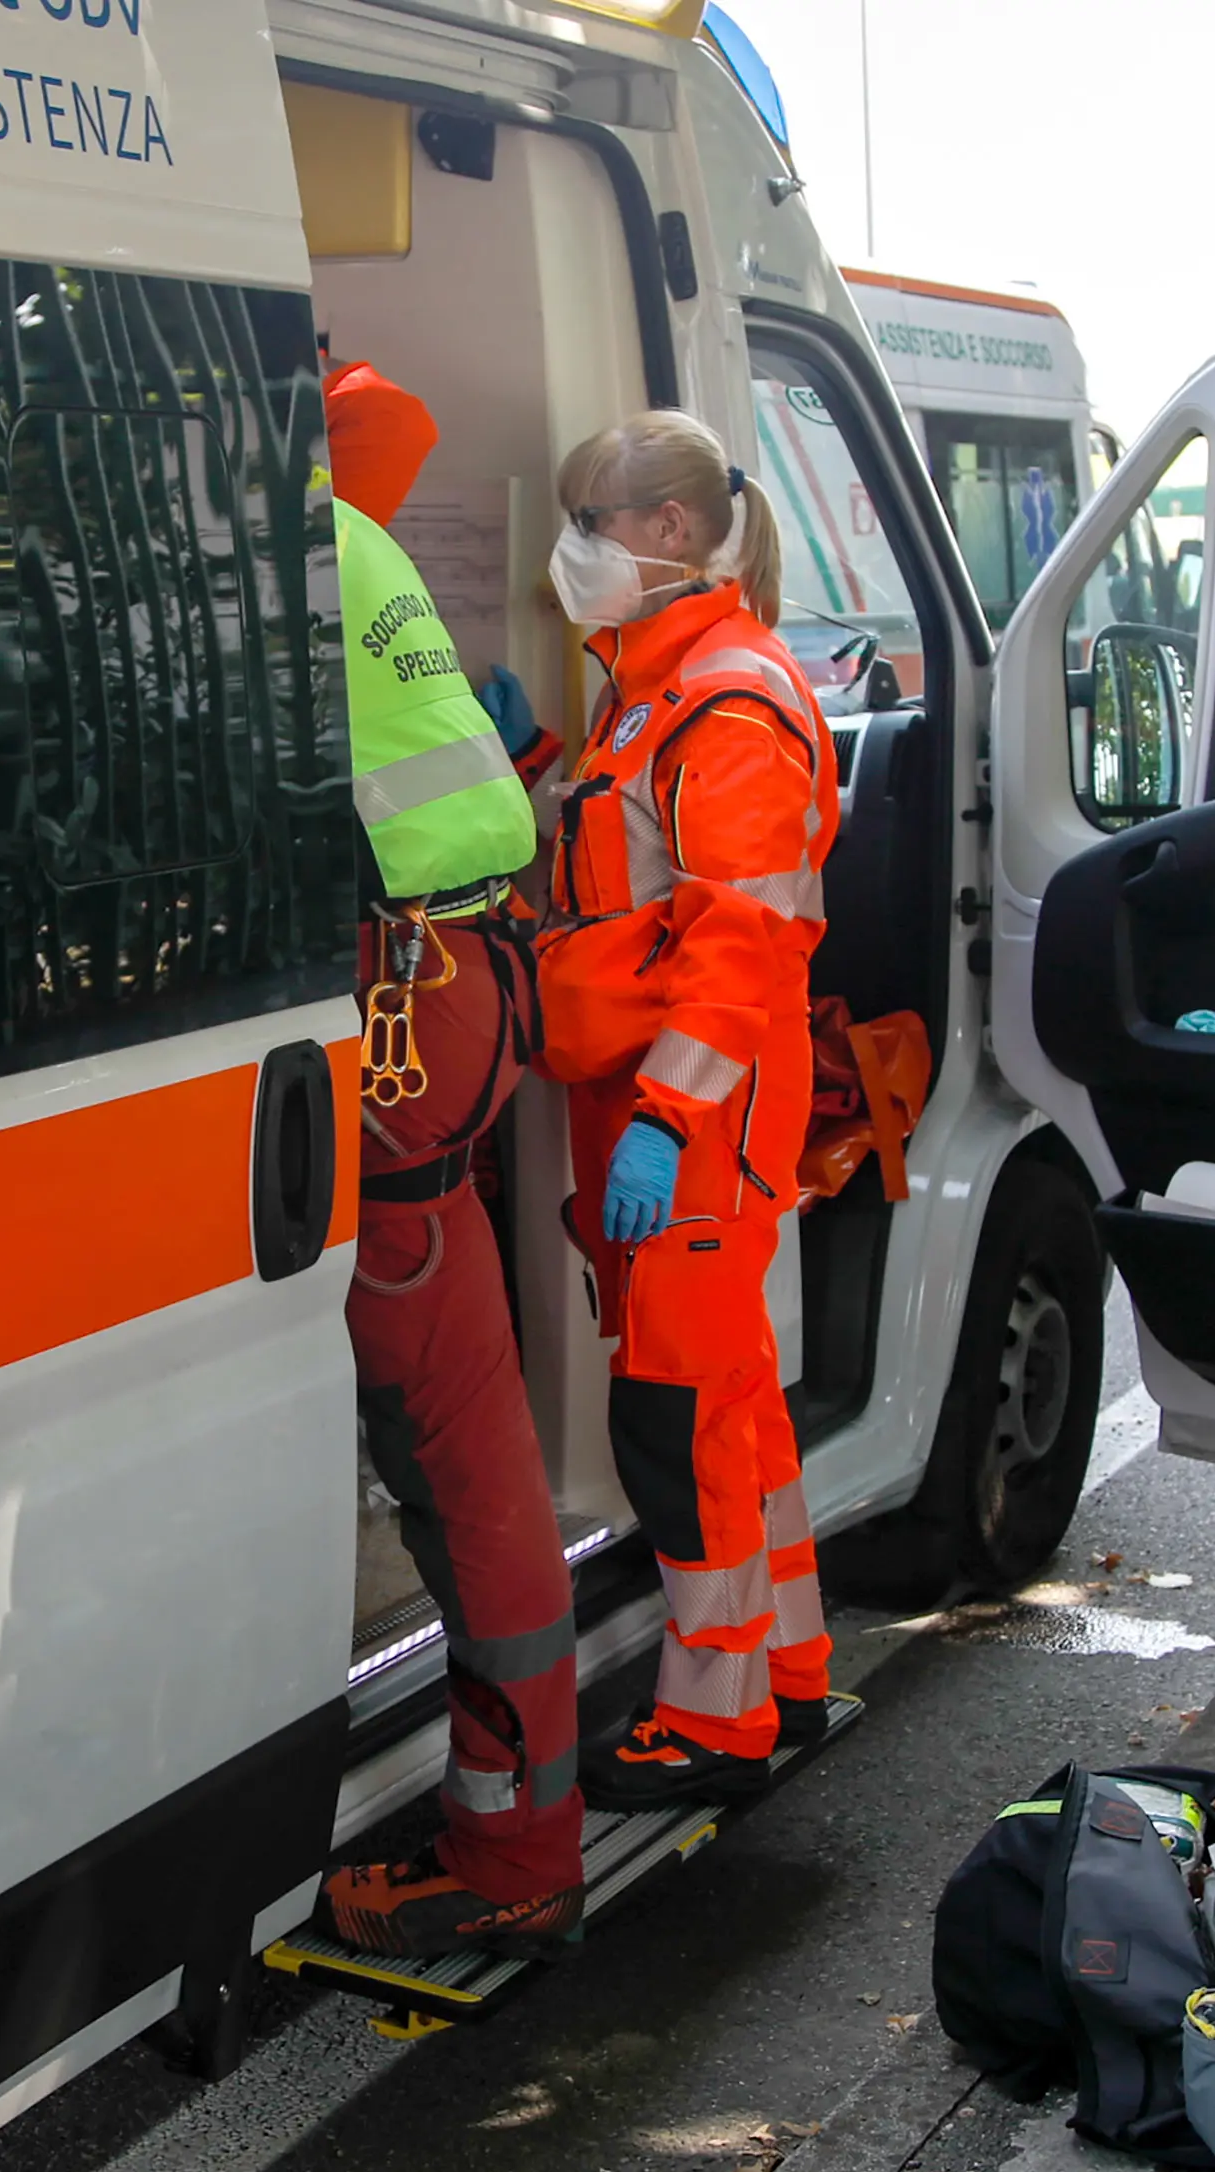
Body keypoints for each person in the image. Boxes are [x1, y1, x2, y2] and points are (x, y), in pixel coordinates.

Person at [311, 359, 585, 1958]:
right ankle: (519, 1826)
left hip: (400, 1012)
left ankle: (511, 1849)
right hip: (454, 987)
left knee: (457, 1461)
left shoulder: (291, 552)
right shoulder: (365, 545)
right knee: (468, 1430)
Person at [535, 409, 838, 1809]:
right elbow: (639, 872)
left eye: (585, 525)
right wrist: (533, 757)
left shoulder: (724, 699)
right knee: (733, 1411)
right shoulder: (654, 690)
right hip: (668, 1112)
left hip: (695, 1121)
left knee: (679, 1424)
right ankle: (780, 1671)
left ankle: (709, 1721)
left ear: (664, 532)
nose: (569, 553)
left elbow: (740, 941)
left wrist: (664, 1117)